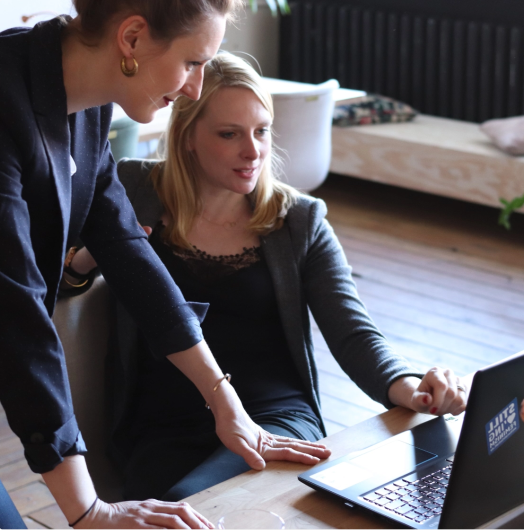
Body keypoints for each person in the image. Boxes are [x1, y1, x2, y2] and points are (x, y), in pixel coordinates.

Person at [69, 52, 468, 503]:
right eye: (229, 134)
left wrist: (411, 388)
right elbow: (57, 285)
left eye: (261, 131)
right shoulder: (132, 189)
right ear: (188, 138)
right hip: (162, 424)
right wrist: (89, 258)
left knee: (202, 502)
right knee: (184, 503)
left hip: (274, 417)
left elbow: (353, 333)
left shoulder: (298, 220)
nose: (253, 151)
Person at [0, 2, 330, 528]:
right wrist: (89, 513)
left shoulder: (84, 102)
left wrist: (227, 404)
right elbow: (16, 317)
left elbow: (128, 249)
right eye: (193, 63)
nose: (196, 89)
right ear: (131, 39)